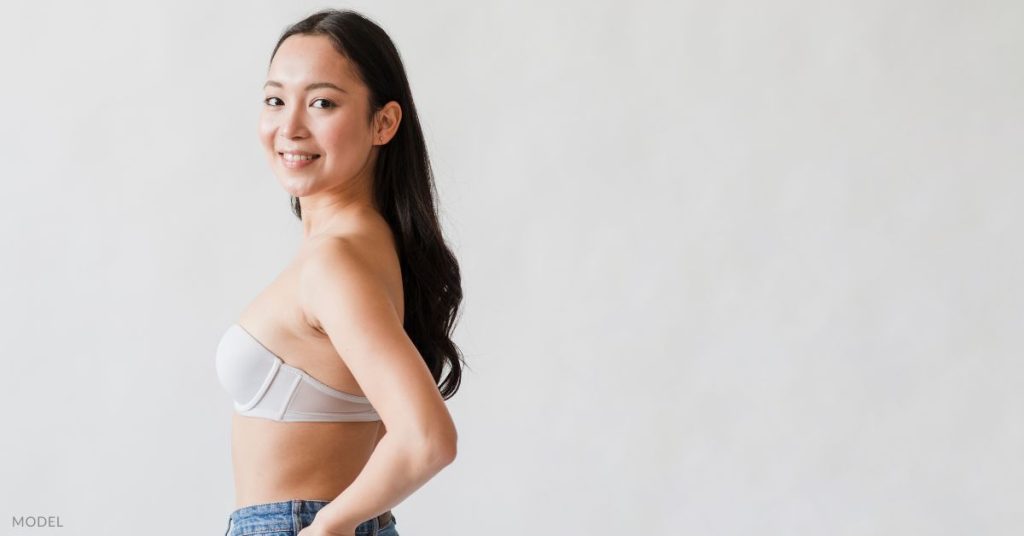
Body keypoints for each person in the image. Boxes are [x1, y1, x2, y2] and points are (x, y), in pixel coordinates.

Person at [214, 8, 465, 536]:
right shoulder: (364, 244)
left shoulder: (336, 262)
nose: (290, 127)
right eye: (275, 100)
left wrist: (327, 527)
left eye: (322, 102)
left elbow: (427, 438)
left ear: (384, 123)